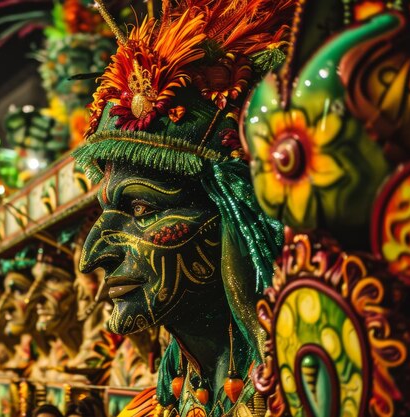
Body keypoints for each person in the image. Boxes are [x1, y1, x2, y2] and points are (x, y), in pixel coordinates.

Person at [72, 0, 294, 416]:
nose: (93, 256)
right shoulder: (154, 404)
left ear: (238, 212)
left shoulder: (314, 391)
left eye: (141, 209)